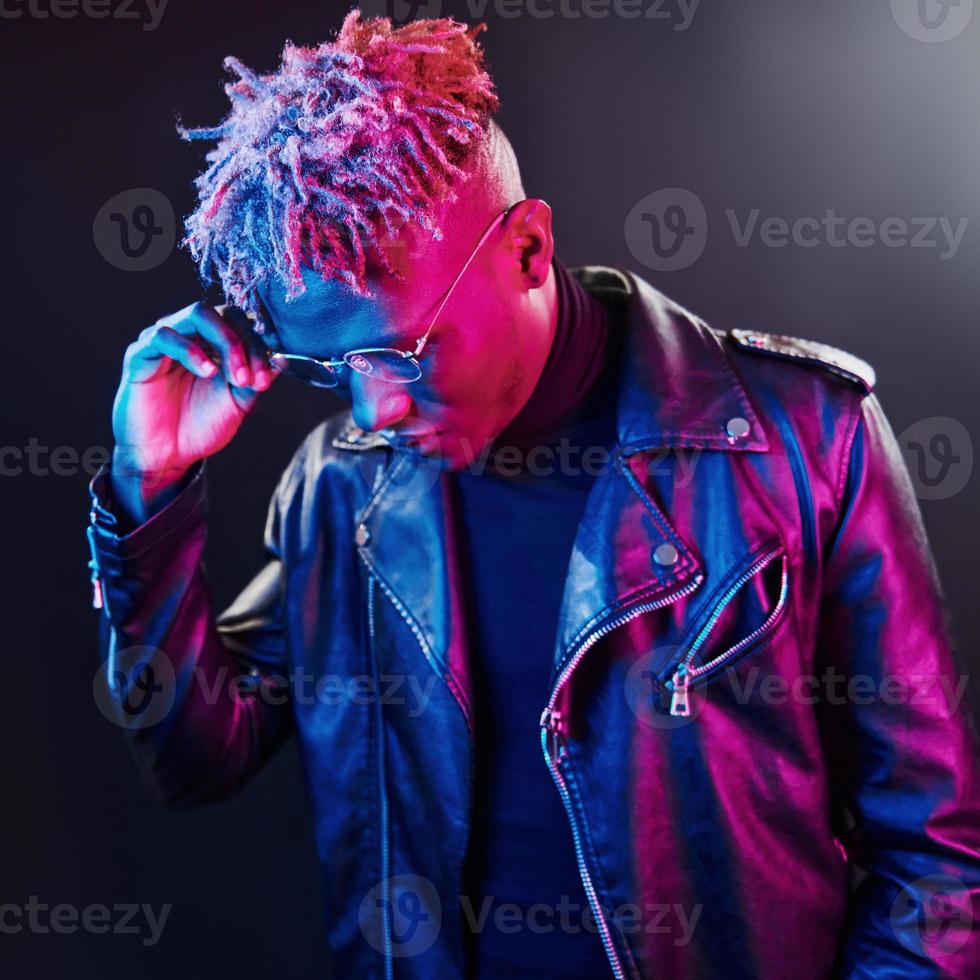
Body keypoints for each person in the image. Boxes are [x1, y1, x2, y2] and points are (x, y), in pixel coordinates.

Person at [86, 11, 980, 979]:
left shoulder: (796, 436)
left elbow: (933, 851)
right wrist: (151, 493)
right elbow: (196, 756)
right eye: (329, 365)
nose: (374, 406)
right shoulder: (340, 480)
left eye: (400, 351)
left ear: (525, 248)